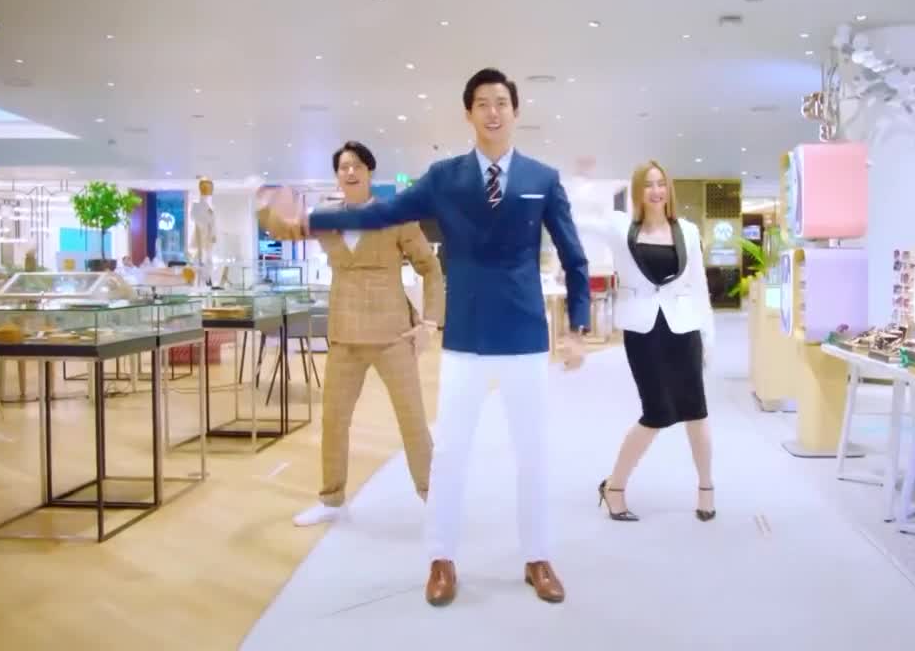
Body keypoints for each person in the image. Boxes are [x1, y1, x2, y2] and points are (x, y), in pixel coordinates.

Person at [258, 67, 591, 607]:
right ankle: (441, 558)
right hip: (464, 337)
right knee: (449, 454)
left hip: (525, 335)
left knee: (532, 453)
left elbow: (575, 258)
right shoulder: (444, 177)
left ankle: (537, 557)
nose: (492, 112)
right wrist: (308, 221)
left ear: (515, 111)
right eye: (482, 103)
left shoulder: (543, 179)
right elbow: (383, 212)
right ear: (468, 113)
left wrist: (576, 328)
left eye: (501, 102)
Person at [292, 141, 444, 526]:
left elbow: (430, 267)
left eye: (357, 165)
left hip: (393, 334)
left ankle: (434, 497)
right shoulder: (327, 220)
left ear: (370, 172)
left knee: (412, 420)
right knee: (333, 420)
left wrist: (430, 322)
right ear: (336, 175)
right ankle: (331, 500)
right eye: (343, 166)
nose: (350, 172)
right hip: (344, 334)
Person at [577, 161, 716, 522]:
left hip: (683, 328)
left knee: (696, 411)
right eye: (648, 185)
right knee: (657, 413)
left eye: (661, 184)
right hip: (642, 331)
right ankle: (615, 487)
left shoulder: (686, 231)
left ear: (669, 189)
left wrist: (707, 336)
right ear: (638, 191)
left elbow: (698, 286)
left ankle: (706, 489)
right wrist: (583, 183)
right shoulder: (621, 227)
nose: (656, 191)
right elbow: (580, 221)